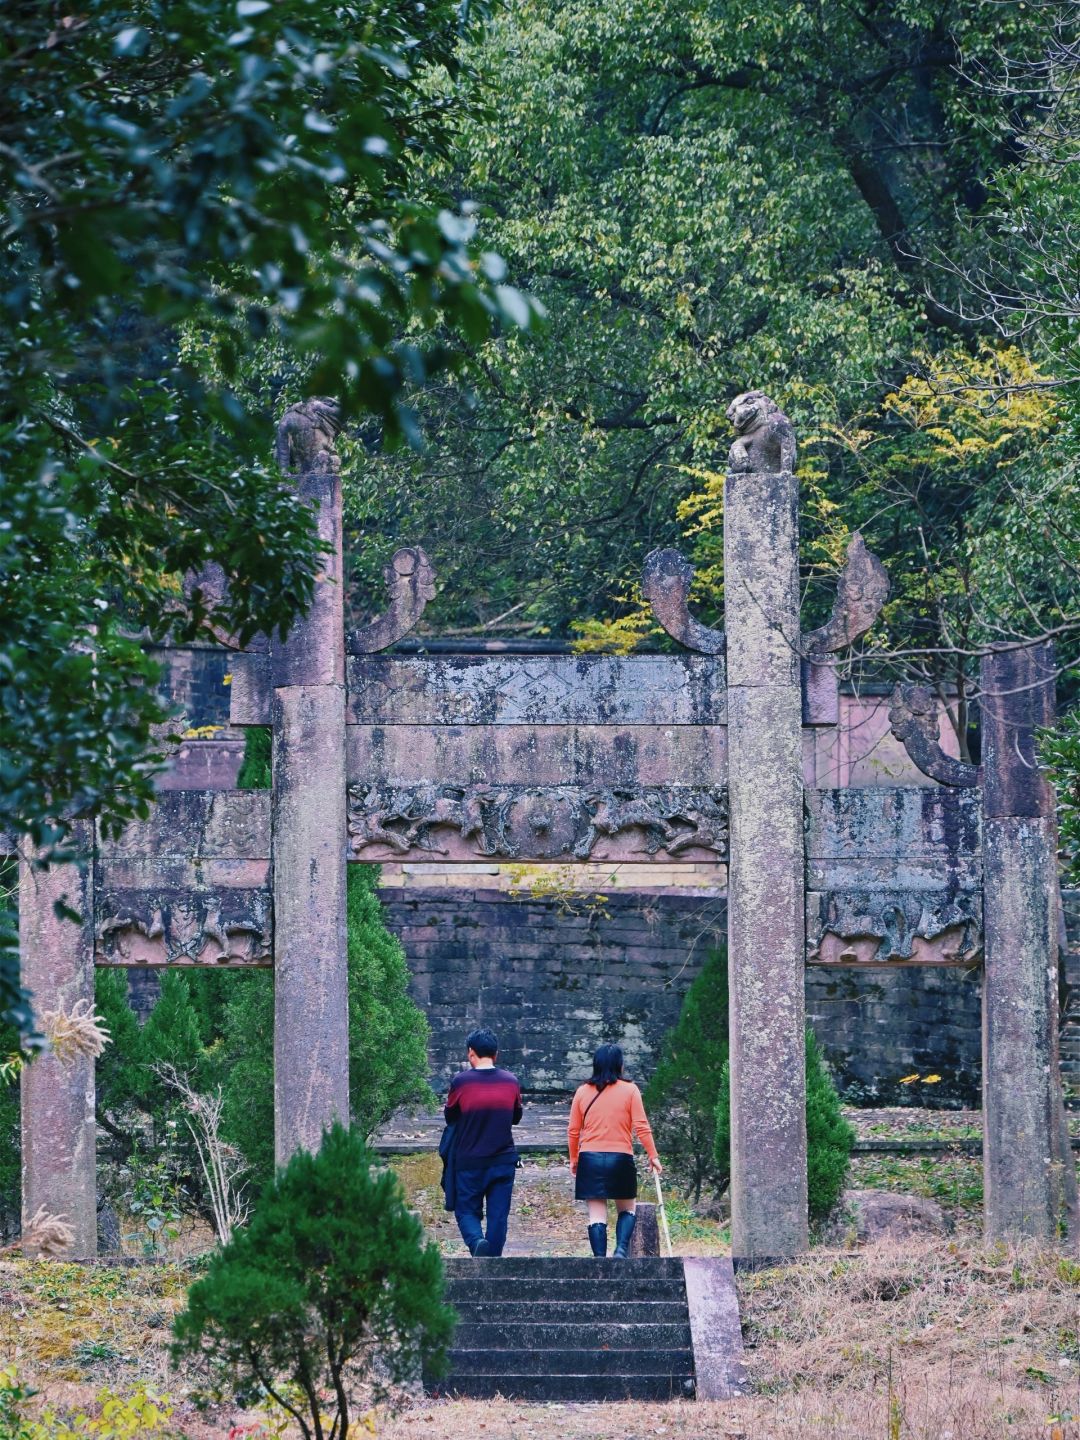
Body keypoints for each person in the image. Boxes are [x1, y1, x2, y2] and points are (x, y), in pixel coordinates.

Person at [568, 1042, 661, 1258]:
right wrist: (653, 1155)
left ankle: (600, 1259)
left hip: (589, 1158)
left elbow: (573, 1131)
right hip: (621, 1157)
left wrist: (574, 1159)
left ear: (596, 1064)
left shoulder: (582, 1091)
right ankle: (620, 1251)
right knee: (627, 1208)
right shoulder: (630, 1090)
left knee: (596, 1216)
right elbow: (641, 1126)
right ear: (620, 1065)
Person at [444, 1027, 523, 1257]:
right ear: (496, 1054)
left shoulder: (461, 1082)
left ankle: (477, 1242)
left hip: (469, 1159)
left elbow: (450, 1117)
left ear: (471, 1053)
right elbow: (516, 1117)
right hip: (503, 1159)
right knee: (498, 1215)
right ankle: (494, 1261)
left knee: (466, 1209)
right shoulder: (511, 1082)